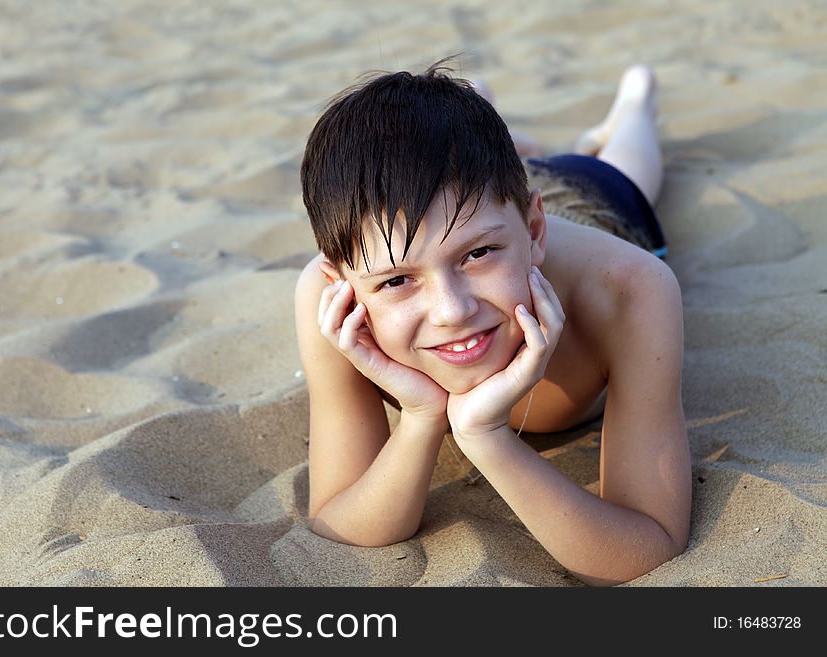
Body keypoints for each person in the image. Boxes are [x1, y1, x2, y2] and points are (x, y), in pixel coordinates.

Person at [294, 60, 691, 586]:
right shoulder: (335, 304)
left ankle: (636, 104)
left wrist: (486, 437)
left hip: (592, 204)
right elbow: (340, 520)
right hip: (477, 201)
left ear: (534, 229)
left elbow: (646, 548)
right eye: (396, 281)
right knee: (469, 179)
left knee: (627, 169)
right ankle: (483, 113)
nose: (452, 311)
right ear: (340, 279)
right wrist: (419, 417)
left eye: (478, 255)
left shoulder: (631, 289)